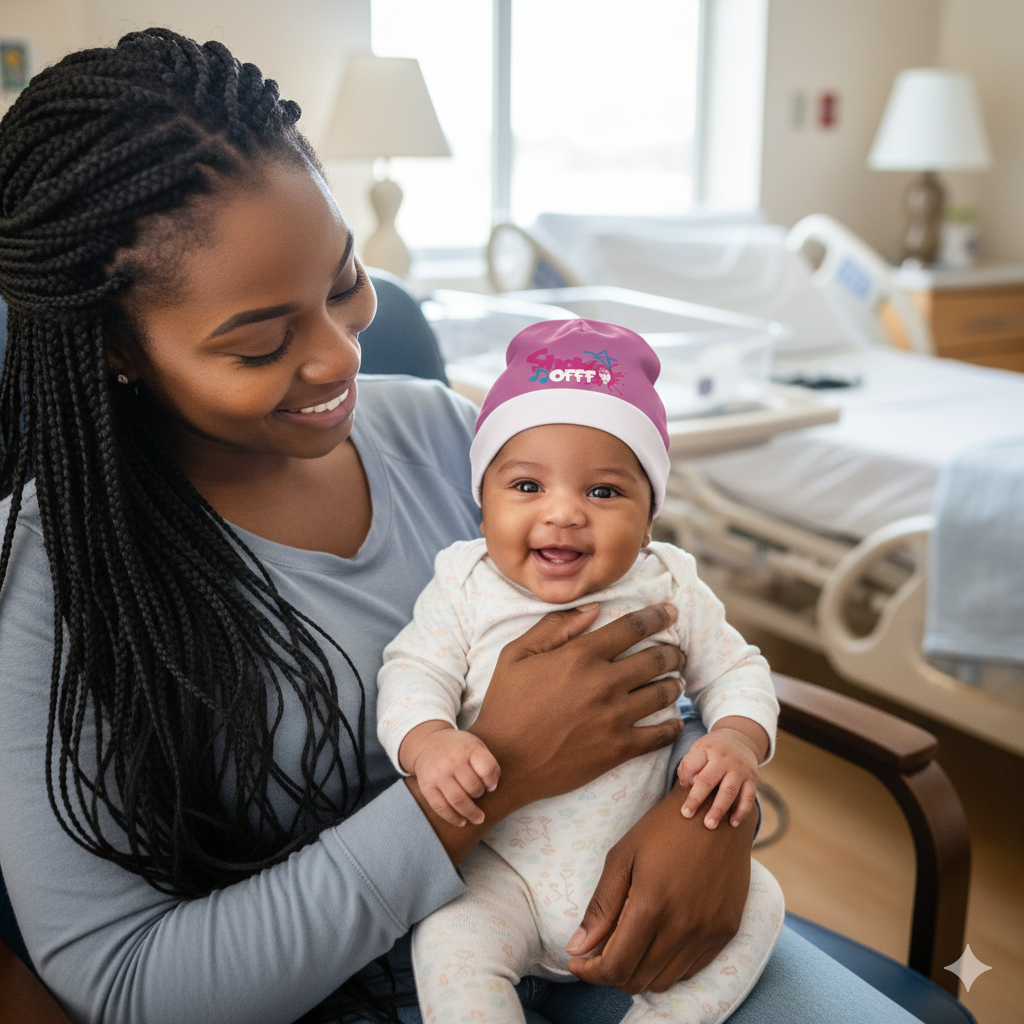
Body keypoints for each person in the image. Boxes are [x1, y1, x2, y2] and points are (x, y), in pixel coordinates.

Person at [0, 27, 923, 1024]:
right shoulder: (48, 578)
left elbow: (652, 632)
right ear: (118, 352)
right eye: (264, 342)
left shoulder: (451, 438)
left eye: (345, 282)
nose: (339, 358)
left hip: (608, 932)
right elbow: (133, 984)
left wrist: (708, 816)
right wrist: (498, 770)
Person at [377, 318, 785, 1024]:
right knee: (446, 941)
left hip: (640, 881)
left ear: (650, 515)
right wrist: (430, 742)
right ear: (484, 503)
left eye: (603, 493)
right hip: (498, 878)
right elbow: (411, 673)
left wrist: (739, 739)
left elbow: (738, 670)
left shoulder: (670, 587)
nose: (563, 513)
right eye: (528, 486)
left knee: (764, 903)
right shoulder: (464, 585)